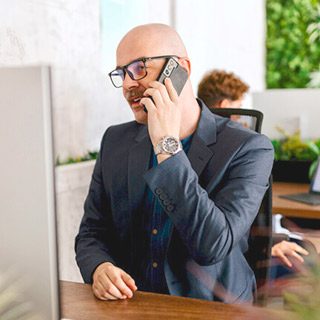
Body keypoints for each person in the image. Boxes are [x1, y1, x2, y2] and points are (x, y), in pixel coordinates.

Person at [75, 23, 274, 304]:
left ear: (180, 69)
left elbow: (212, 246)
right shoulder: (115, 141)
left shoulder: (249, 148)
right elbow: (92, 231)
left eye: (139, 67)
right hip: (133, 305)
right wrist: (99, 267)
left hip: (211, 307)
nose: (129, 84)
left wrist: (166, 146)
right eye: (122, 74)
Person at [197, 70, 310, 271]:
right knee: (307, 256)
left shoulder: (192, 146)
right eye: (239, 107)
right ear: (225, 106)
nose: (242, 115)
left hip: (234, 247)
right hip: (239, 257)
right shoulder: (238, 152)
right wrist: (269, 246)